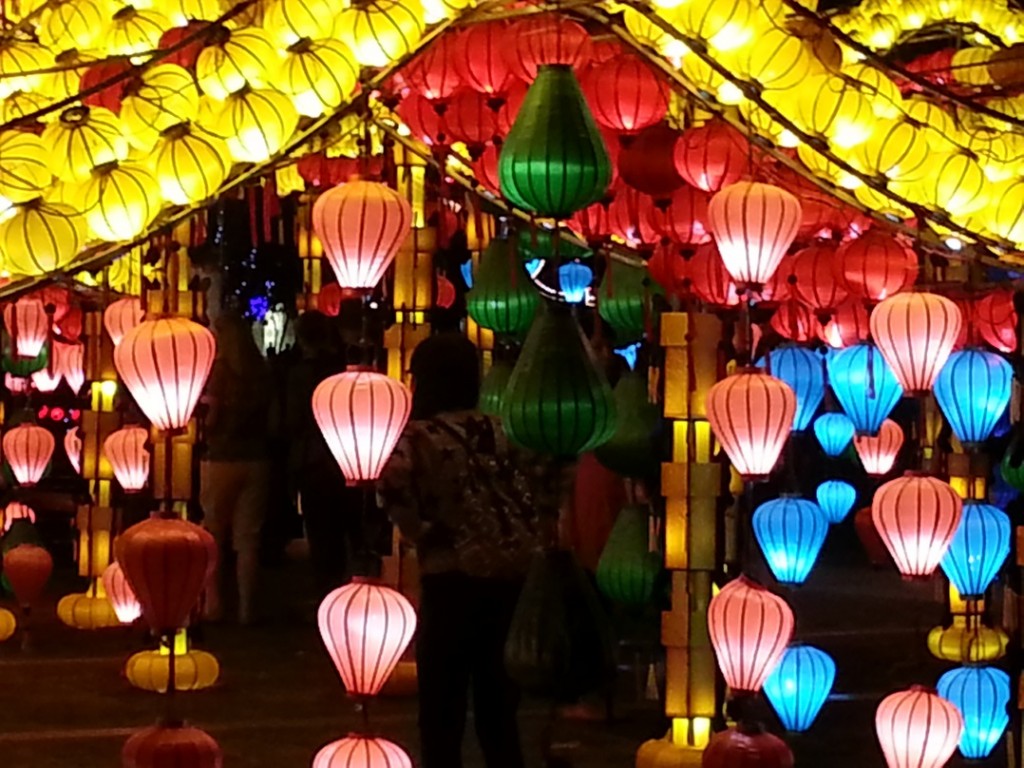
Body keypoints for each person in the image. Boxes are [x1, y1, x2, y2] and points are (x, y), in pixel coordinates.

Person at [378, 334, 565, 768]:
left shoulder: (419, 436)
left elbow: (391, 482)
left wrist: (420, 530)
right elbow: (546, 478)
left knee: (441, 711)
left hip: (452, 576)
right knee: (498, 709)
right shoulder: (501, 429)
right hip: (510, 579)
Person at [200, 311, 273, 625]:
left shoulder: (219, 372)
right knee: (248, 538)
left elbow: (213, 419)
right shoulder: (261, 372)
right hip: (256, 458)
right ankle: (247, 608)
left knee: (213, 532)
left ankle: (213, 603)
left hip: (220, 457)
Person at [284, 310, 361, 597]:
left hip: (314, 460)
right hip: (349, 457)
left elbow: (292, 420)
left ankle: (326, 594)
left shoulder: (300, 375)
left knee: (321, 532)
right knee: (350, 527)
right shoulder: (344, 371)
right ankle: (351, 587)